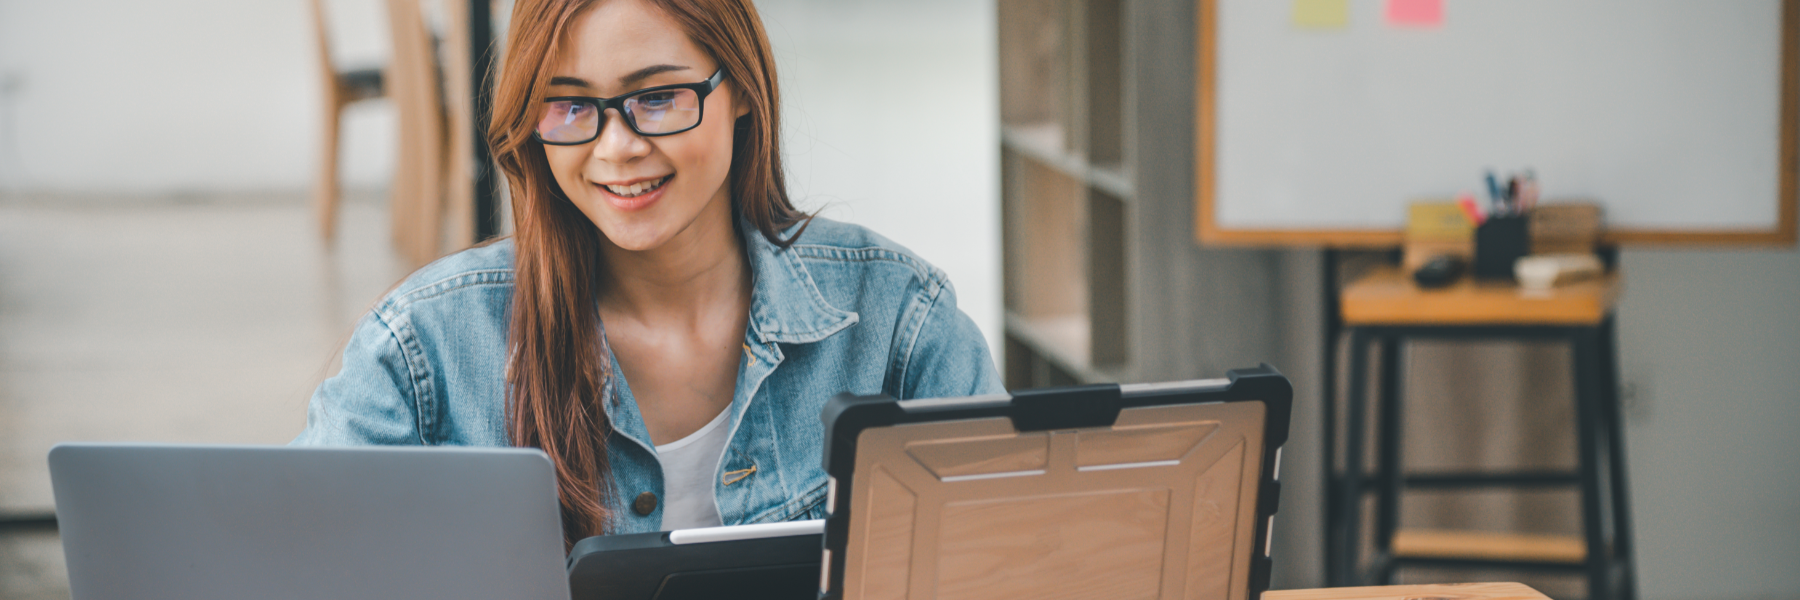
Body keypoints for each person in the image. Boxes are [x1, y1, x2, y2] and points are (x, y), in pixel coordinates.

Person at [291, 0, 1001, 548]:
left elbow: (1007, 557)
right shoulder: (428, 346)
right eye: (569, 105)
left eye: (657, 97)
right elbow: (292, 557)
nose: (617, 146)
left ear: (742, 90)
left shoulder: (897, 322)